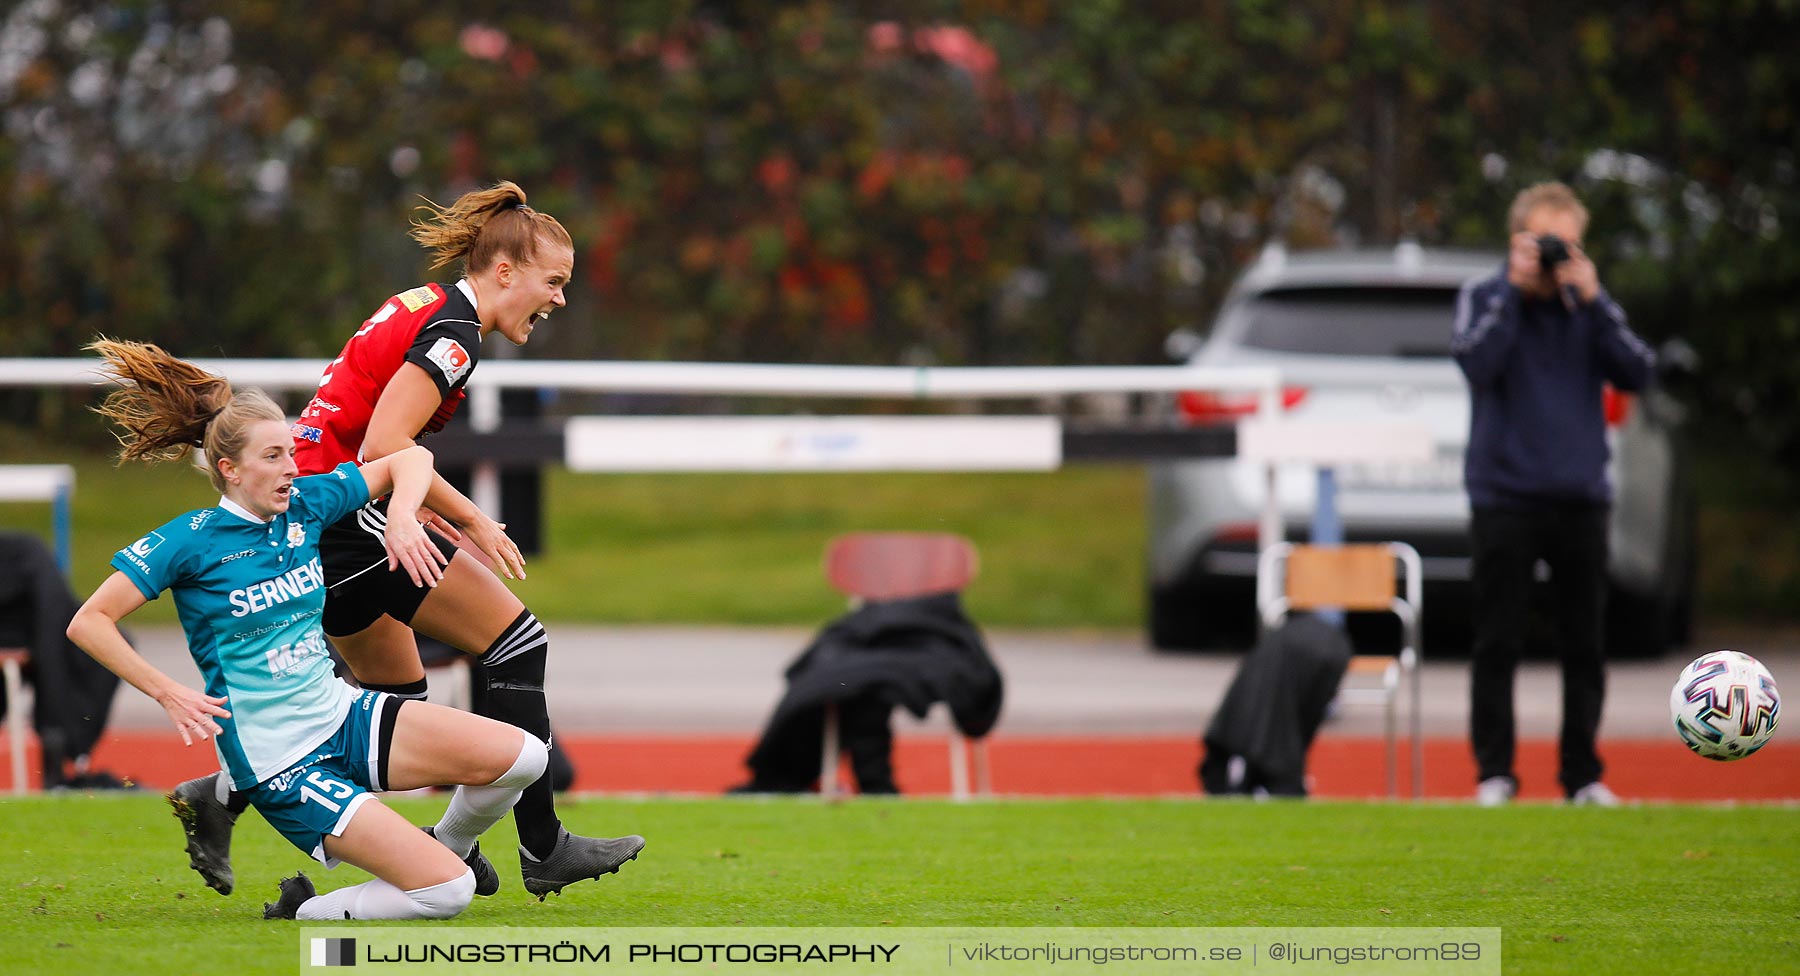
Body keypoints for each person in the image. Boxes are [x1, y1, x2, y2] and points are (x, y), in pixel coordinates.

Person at [167, 180, 644, 902]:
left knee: (396, 698)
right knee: (518, 644)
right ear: (505, 272)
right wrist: (471, 519)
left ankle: (227, 790)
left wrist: (437, 511)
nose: (560, 299)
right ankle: (538, 846)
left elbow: (374, 435)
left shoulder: (425, 302)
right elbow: (387, 444)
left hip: (311, 513)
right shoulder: (455, 335)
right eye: (555, 282)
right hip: (341, 515)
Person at [67, 339, 550, 919]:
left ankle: (443, 847)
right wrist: (168, 691)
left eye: (292, 452)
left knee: (526, 757)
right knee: (447, 895)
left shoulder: (307, 505)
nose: (292, 468)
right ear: (229, 469)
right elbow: (89, 621)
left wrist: (400, 517)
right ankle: (304, 909)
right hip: (280, 760)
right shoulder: (188, 541)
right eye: (273, 457)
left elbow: (409, 459)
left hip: (343, 716)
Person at [1450, 181, 1656, 807]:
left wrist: (1593, 301)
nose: (1551, 255)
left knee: (1585, 641)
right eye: (1542, 241)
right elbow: (1475, 363)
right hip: (1504, 494)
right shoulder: (1485, 295)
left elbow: (1640, 372)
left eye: (1564, 243)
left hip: (1579, 495)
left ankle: (1582, 775)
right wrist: (1515, 292)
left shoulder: (1587, 306)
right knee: (1497, 639)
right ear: (1517, 238)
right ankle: (1494, 774)